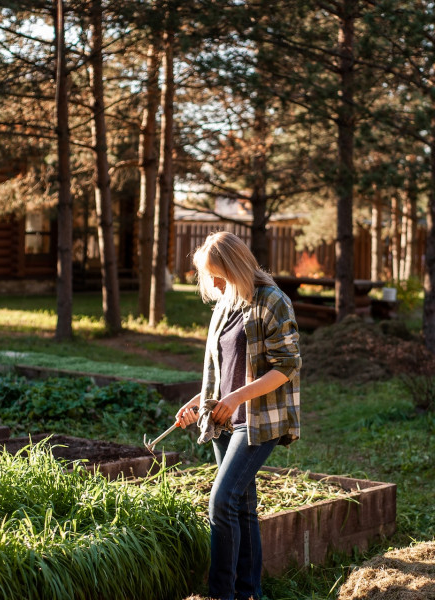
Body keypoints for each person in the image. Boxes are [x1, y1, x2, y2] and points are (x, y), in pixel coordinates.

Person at [175, 231, 301, 600]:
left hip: (259, 419)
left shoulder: (272, 301)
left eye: (218, 274)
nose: (212, 283)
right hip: (225, 418)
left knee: (222, 500)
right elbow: (224, 368)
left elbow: (286, 367)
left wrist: (235, 397)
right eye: (207, 276)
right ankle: (251, 593)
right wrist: (200, 400)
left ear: (236, 267)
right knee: (244, 507)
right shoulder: (225, 305)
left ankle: (220, 594)